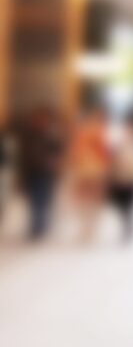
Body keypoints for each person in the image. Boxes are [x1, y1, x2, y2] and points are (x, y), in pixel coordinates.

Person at [15, 104, 67, 241]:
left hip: (46, 172)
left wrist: (55, 163)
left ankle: (40, 226)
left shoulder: (52, 134)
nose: (40, 120)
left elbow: (59, 151)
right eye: (37, 118)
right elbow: (23, 155)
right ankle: (37, 225)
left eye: (43, 118)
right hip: (32, 171)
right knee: (34, 200)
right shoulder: (28, 134)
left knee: (43, 200)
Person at [65, 101, 110, 243]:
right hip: (92, 169)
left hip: (87, 168)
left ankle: (87, 227)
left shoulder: (85, 131)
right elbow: (103, 152)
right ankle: (89, 227)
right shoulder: (97, 131)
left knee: (86, 199)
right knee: (90, 199)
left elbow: (74, 152)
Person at [107, 108, 133, 243]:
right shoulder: (117, 139)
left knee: (129, 203)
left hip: (132, 178)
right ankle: (127, 222)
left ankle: (128, 224)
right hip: (120, 176)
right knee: (121, 203)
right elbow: (112, 155)